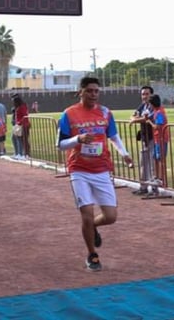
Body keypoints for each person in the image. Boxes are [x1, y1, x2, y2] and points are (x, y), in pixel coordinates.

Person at [57, 76, 133, 272]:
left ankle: (94, 228)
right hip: (79, 170)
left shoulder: (106, 113)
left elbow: (113, 135)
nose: (93, 94)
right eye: (89, 91)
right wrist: (78, 139)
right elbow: (60, 145)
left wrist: (124, 153)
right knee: (87, 215)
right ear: (80, 91)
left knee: (111, 216)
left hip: (101, 169)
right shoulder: (69, 114)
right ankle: (92, 254)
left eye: (96, 91)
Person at [129, 85, 155, 195]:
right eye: (143, 94)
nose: (144, 96)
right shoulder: (143, 106)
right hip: (145, 137)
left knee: (152, 164)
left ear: (151, 95)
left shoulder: (153, 106)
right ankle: (143, 187)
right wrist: (134, 119)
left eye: (147, 94)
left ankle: (154, 189)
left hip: (153, 138)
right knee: (143, 163)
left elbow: (147, 119)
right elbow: (133, 115)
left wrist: (135, 120)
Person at [144, 94, 169, 191]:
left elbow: (157, 126)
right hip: (157, 139)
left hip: (161, 139)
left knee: (160, 159)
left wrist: (149, 122)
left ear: (152, 104)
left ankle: (163, 179)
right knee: (155, 157)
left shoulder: (159, 113)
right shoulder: (156, 111)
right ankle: (157, 177)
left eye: (150, 103)